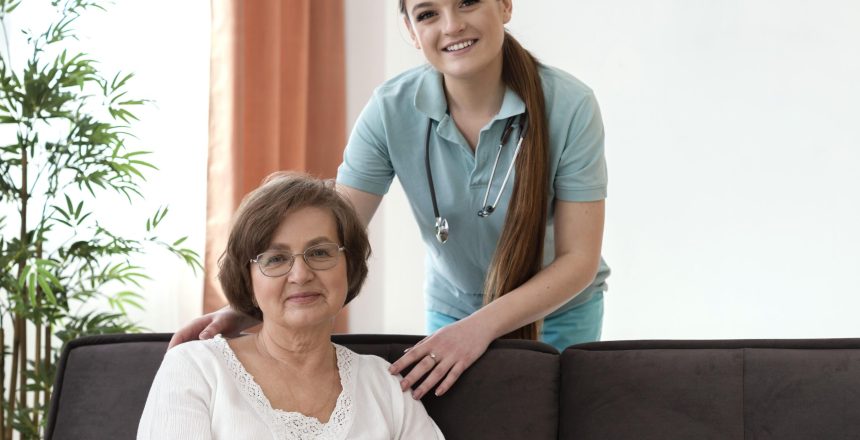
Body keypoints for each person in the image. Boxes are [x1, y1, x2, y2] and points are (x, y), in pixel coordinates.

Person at [171, 0, 608, 402]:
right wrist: (247, 309)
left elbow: (578, 260)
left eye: (468, 2)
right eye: (427, 13)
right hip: (454, 308)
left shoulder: (569, 106)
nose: (452, 25)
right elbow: (331, 230)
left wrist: (479, 329)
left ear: (505, 5)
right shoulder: (390, 109)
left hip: (559, 309)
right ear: (410, 30)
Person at [139, 172, 444, 439]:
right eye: (276, 259)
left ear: (349, 266)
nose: (300, 275)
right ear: (248, 278)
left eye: (320, 253)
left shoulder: (385, 385)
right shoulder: (196, 368)